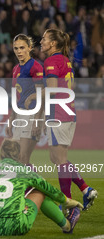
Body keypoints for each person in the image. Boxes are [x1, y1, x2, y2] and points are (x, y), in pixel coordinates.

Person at [39, 28, 98, 210]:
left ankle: (67, 203)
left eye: (44, 39)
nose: (41, 41)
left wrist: (34, 97)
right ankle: (85, 189)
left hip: (59, 115)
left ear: (53, 44)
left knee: (60, 159)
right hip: (68, 114)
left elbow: (53, 89)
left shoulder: (51, 61)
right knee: (56, 158)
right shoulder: (65, 60)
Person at [0, 139, 83, 236]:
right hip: (16, 226)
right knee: (40, 192)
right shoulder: (24, 171)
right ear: (19, 155)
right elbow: (49, 189)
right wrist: (66, 201)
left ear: (1, 154)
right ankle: (67, 225)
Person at [6, 34, 44, 166]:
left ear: (29, 48)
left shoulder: (35, 67)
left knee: (22, 156)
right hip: (20, 114)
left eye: (22, 48)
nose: (19, 51)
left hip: (32, 113)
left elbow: (41, 96)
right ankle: (34, 184)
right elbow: (17, 96)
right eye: (16, 48)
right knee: (20, 158)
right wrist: (11, 119)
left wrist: (37, 121)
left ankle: (33, 185)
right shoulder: (16, 69)